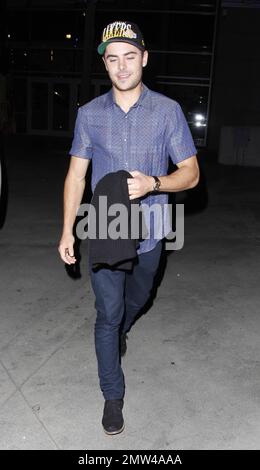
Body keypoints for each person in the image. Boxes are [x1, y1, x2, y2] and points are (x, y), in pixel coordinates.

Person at [58, 21, 199, 435]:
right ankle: (112, 396)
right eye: (113, 59)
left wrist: (155, 182)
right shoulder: (89, 115)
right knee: (107, 313)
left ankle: (123, 328)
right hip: (104, 227)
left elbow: (190, 174)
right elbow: (75, 177)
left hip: (154, 227)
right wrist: (67, 229)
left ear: (145, 59)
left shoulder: (167, 111)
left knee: (138, 298)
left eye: (130, 57)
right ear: (105, 64)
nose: (122, 67)